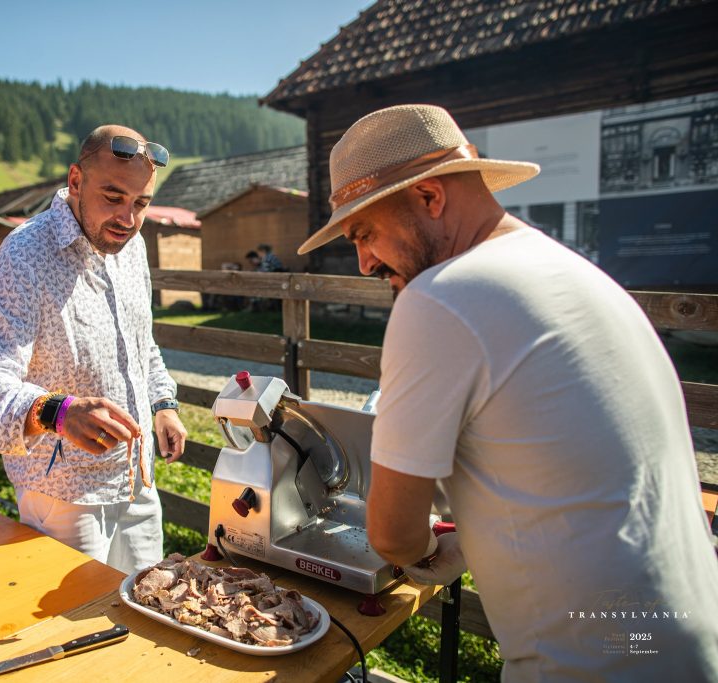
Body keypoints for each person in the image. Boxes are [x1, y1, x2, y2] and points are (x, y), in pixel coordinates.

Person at [297, 104, 718, 681]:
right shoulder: (579, 275)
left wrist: (423, 554)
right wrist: (469, 541)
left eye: (364, 232)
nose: (365, 260)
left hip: (588, 661)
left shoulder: (439, 298)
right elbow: (566, 469)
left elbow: (392, 533)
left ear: (429, 198)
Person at [0, 125, 188, 576]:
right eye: (113, 196)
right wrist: (58, 413)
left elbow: (140, 343)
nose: (128, 218)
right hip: (63, 496)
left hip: (136, 480)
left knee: (146, 616)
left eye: (140, 204)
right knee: (70, 632)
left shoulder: (133, 246)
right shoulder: (25, 253)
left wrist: (162, 403)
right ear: (76, 181)